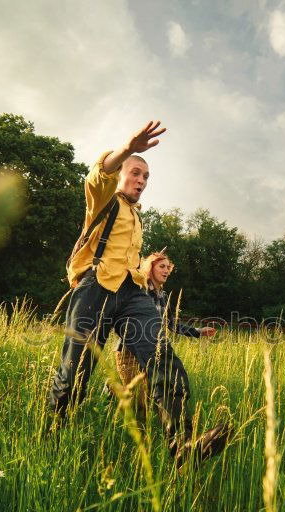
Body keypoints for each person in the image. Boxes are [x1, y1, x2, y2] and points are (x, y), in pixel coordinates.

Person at [48, 121, 230, 465]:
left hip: (132, 294)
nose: (141, 181)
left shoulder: (137, 216)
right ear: (121, 175)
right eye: (135, 173)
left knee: (163, 358)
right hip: (95, 288)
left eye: (146, 178)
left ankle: (182, 447)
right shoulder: (104, 199)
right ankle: (52, 439)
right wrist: (129, 148)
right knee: (75, 373)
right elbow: (100, 172)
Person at [114, 251, 216, 407]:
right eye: (162, 266)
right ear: (150, 268)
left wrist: (198, 332)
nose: (167, 270)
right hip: (130, 354)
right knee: (139, 405)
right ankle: (112, 390)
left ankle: (113, 390)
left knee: (152, 400)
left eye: (168, 267)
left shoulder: (163, 296)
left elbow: (171, 324)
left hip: (153, 355)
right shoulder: (139, 291)